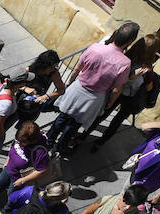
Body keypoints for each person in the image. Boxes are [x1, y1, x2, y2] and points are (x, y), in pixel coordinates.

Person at [45, 23, 137, 158]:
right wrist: (110, 103)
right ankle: (61, 146)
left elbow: (77, 68)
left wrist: (70, 82)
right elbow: (117, 89)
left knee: (63, 116)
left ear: (116, 34)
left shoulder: (95, 47)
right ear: (130, 41)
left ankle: (49, 140)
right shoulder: (125, 63)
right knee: (75, 124)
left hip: (78, 88)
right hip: (94, 98)